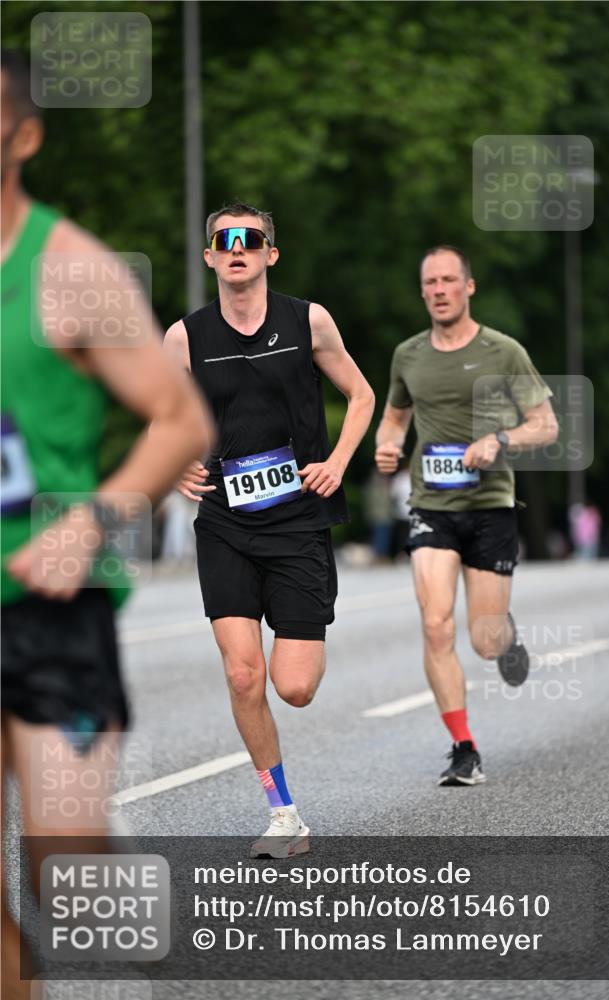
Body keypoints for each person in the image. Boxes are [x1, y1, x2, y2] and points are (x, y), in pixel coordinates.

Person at [0, 50, 213, 999]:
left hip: (53, 614)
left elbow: (181, 422)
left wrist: (92, 521)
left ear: (25, 136)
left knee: (65, 872)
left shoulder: (69, 270)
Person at [164, 202, 374, 857]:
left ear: (269, 253)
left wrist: (337, 463)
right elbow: (163, 416)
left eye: (249, 240)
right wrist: (174, 467)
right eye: (222, 241)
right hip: (224, 521)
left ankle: (285, 798)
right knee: (243, 676)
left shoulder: (306, 320)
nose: (236, 249)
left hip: (297, 522)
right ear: (208, 258)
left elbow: (361, 395)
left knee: (295, 687)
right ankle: (283, 814)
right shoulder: (184, 337)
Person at [375, 245, 558, 786]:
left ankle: (504, 634)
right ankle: (463, 747)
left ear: (468, 287)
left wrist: (500, 439)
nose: (438, 289)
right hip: (432, 504)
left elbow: (546, 425)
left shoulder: (503, 352)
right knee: (435, 625)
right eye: (429, 282)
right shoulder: (408, 355)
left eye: (448, 280)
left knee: (483, 639)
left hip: (490, 506)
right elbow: (394, 417)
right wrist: (387, 447)